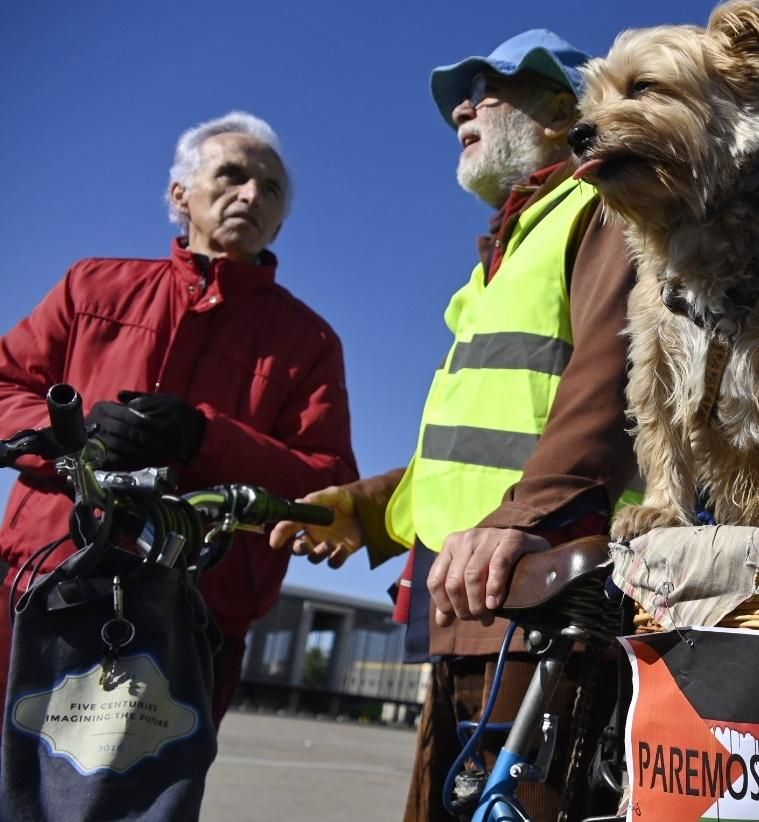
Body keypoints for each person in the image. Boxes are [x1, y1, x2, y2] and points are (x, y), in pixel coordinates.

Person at [269, 30, 640, 822]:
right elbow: (480, 443)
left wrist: (526, 517)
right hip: (473, 603)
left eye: (488, 87)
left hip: (553, 604)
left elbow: (614, 379)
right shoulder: (505, 254)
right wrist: (371, 509)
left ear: (557, 109)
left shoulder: (605, 204)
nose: (461, 108)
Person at [0, 111, 358, 725]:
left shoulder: (310, 341)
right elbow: (7, 386)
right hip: (45, 585)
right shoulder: (90, 288)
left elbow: (327, 485)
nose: (251, 194)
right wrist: (76, 438)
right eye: (232, 175)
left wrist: (206, 438)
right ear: (180, 194)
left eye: (270, 189)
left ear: (279, 219)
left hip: (195, 613)